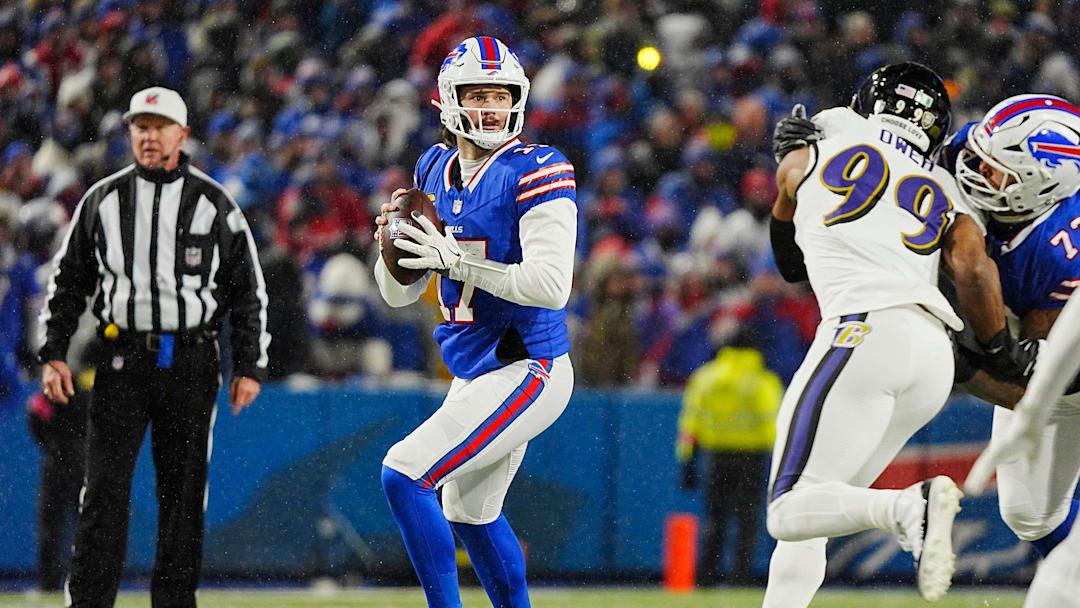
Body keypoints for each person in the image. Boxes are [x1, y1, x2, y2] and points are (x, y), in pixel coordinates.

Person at [762, 63, 1025, 607]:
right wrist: (1000, 348)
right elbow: (974, 269)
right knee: (817, 513)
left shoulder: (827, 131)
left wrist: (790, 172)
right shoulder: (947, 185)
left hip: (862, 331)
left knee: (789, 506)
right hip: (932, 357)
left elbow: (789, 263)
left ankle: (909, 506)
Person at [37, 86, 270, 608]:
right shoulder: (102, 200)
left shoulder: (214, 203)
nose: (148, 135)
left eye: (158, 126)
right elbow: (69, 281)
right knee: (102, 494)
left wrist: (249, 363)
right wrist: (53, 352)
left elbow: (246, 290)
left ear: (182, 135)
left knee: (183, 498)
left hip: (191, 360)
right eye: (140, 126)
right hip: (120, 362)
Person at [372, 36, 575, 608]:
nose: (490, 107)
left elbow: (550, 285)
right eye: (477, 94)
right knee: (470, 511)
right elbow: (396, 292)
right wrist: (389, 245)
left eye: (499, 94)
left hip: (529, 365)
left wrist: (455, 260)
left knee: (405, 473)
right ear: (447, 100)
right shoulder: (432, 169)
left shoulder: (538, 168)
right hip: (475, 369)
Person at [932, 94, 1080, 560]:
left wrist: (965, 366)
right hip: (1040, 350)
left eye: (994, 169)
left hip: (1067, 367)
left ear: (1037, 187)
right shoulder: (967, 158)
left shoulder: (1057, 254)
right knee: (1029, 513)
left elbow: (1031, 380)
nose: (973, 168)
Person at [966, 294, 1080, 608]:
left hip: (1046, 358)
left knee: (1062, 587)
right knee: (1030, 510)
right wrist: (1034, 408)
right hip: (1047, 361)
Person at [675, 339, 781, 586]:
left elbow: (691, 421)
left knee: (715, 518)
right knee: (748, 520)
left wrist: (687, 459)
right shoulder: (763, 380)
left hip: (716, 456)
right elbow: (773, 424)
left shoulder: (706, 378)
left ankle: (706, 577)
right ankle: (739, 577)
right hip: (752, 457)